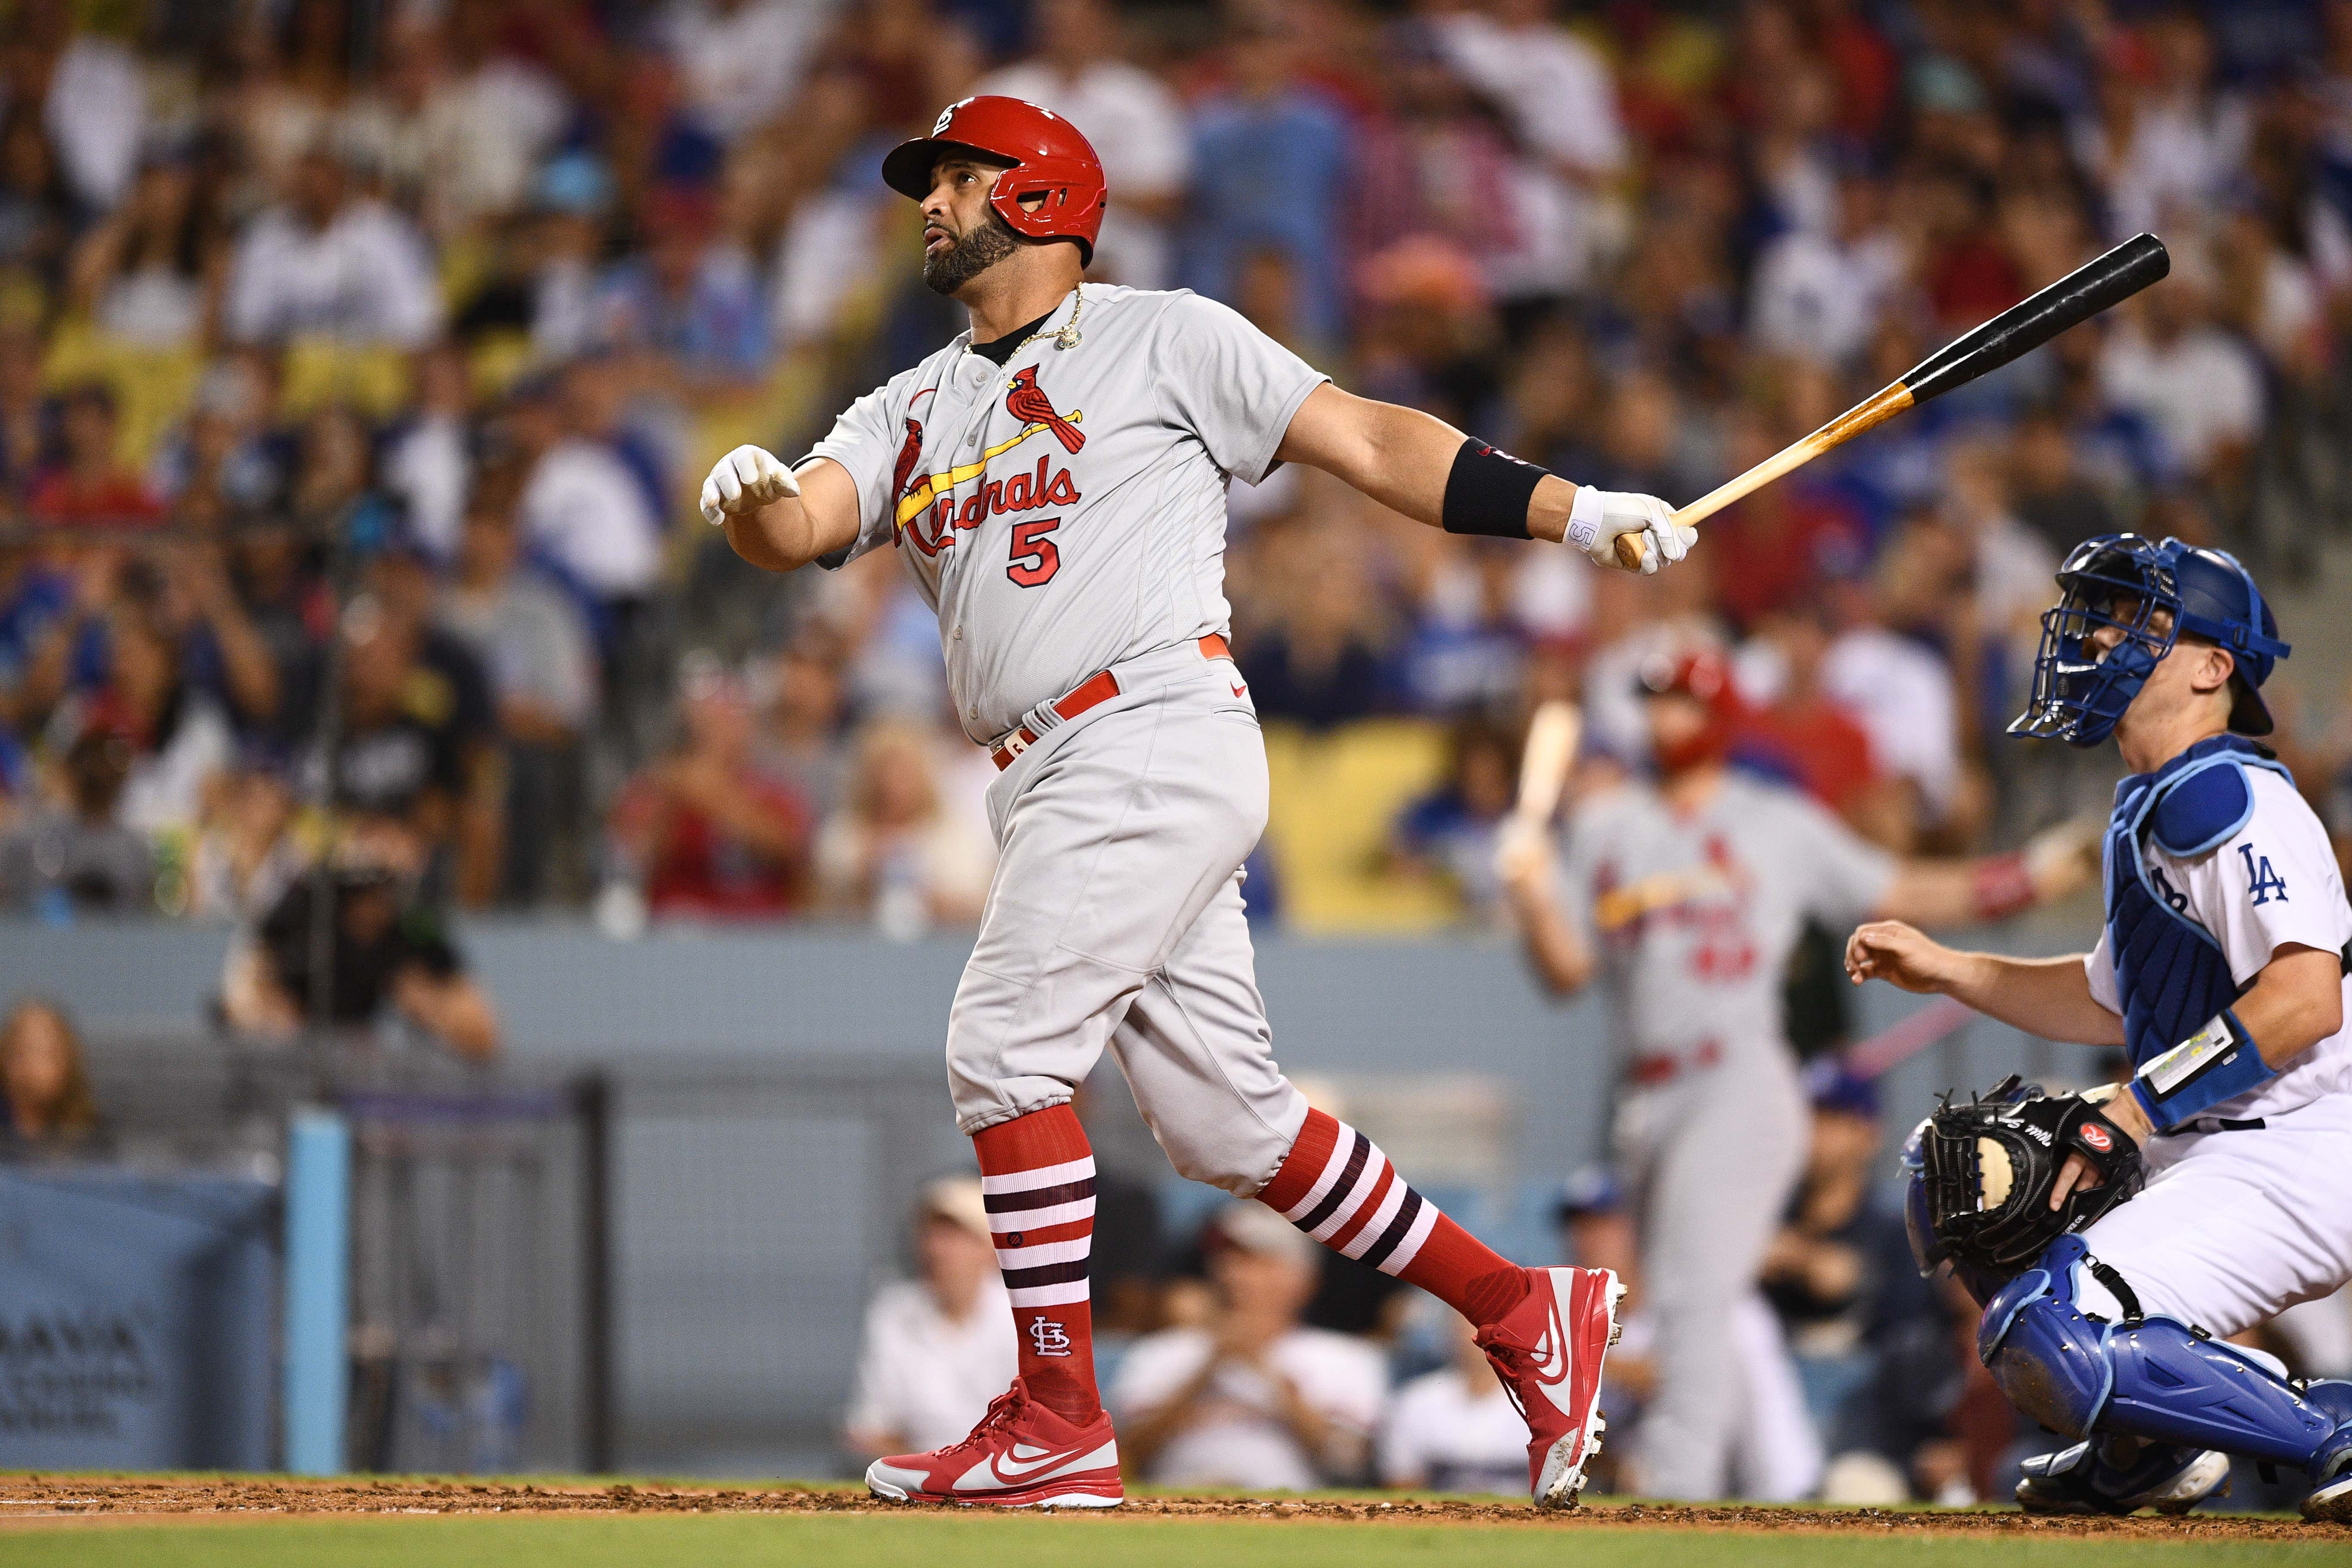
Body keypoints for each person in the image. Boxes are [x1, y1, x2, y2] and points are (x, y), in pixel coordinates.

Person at [699, 95, 1693, 1509]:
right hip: (1047, 771)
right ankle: (1524, 1308)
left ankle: (1058, 1414)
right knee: (1230, 1128)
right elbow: (801, 521)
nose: (931, 202)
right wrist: (748, 501)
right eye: (932, 182)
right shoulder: (909, 403)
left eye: (960, 178)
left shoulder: (1167, 333)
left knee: (1002, 1045)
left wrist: (1573, 510)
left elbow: (1370, 441)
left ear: (1040, 195)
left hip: (1148, 724)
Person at [1496, 644, 2092, 1500]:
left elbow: (1902, 888)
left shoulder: (1772, 822)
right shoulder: (1605, 827)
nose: (1669, 721)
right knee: (1687, 1303)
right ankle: (1761, 1487)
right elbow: (1563, 973)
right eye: (1655, 703)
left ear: (1723, 714)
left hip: (1738, 1079)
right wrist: (1527, 892)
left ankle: (1671, 1492)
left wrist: (2024, 876)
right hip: (1644, 1091)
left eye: (1687, 704)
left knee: (1699, 1298)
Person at [1846, 534, 2352, 1522]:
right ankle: (2143, 1450)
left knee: (2054, 1328)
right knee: (1953, 1176)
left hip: (2302, 1148)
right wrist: (1952, 968)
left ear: (2213, 667)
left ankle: (2329, 1430)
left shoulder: (2232, 794)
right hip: (2217, 1139)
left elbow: (2302, 1000)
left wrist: (2128, 1106)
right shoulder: (2149, 804)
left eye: (2137, 622)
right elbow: (2107, 1000)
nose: (2102, 637)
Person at [1110, 1203, 1387, 1491]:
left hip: (1291, 1515)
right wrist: (1207, 1368)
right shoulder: (1161, 1351)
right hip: (1173, 1511)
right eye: (1228, 1260)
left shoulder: (1345, 1356)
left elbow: (1350, 1465)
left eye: (1257, 1262)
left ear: (1302, 1279)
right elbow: (1126, 1456)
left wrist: (1263, 1368)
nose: (1235, 1275)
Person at [222, 812, 499, 1061]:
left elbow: (483, 1033)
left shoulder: (413, 926)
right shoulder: (308, 902)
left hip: (349, 1069)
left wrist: (430, 1007)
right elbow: (243, 984)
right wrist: (276, 1022)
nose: (385, 851)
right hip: (273, 1065)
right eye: (372, 834)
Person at [843, 1177, 1021, 1463]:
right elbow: (870, 1430)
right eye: (931, 1234)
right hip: (916, 1478)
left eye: (956, 1235)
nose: (937, 1249)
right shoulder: (893, 1311)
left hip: (1003, 1473)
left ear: (990, 1248)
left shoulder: (1022, 1316)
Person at [0, 997, 102, 1154]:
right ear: (6, 1059)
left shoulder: (89, 1134)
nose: (35, 1066)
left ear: (68, 1062)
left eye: (48, 1053)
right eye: (25, 1052)